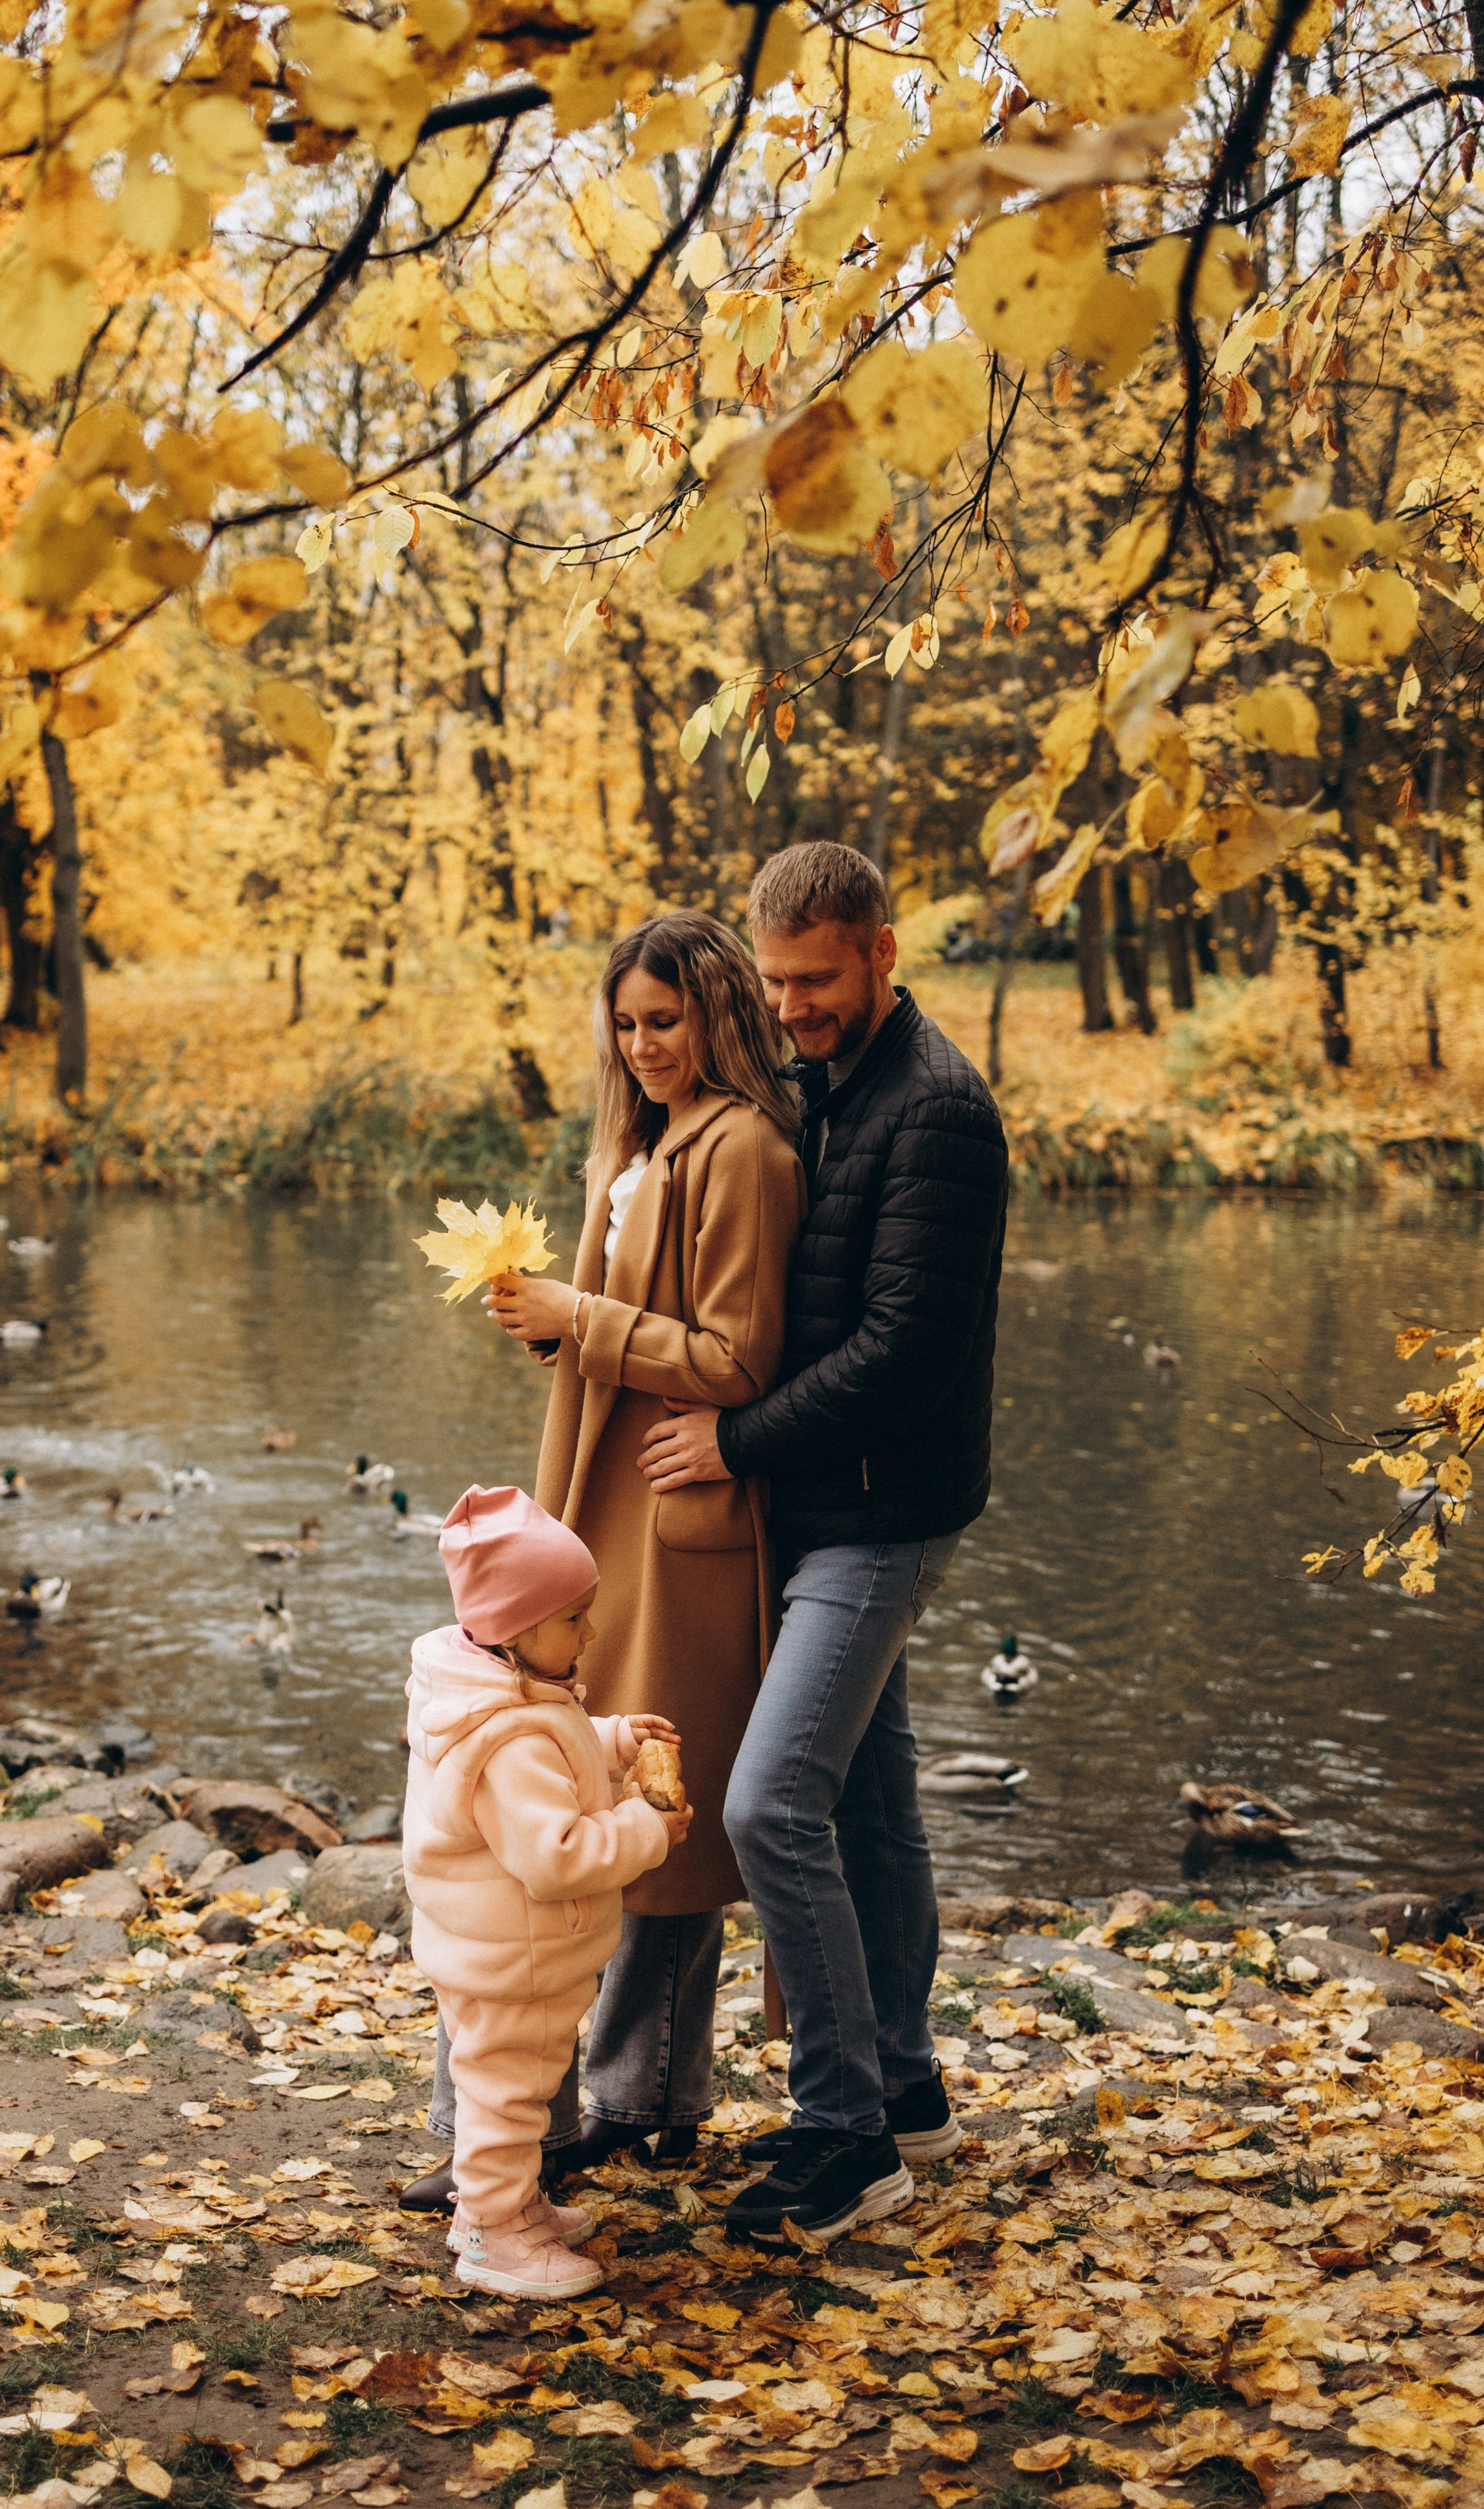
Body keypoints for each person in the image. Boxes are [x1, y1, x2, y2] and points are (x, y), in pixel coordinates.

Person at [639, 842, 1008, 2246]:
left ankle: (841, 2135)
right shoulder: (814, 1090)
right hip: (821, 1507)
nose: (794, 1005)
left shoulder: (937, 1113)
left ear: (881, 952)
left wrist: (731, 1444)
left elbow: (900, 1353)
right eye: (777, 981)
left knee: (764, 1805)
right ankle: (906, 2091)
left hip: (881, 1510)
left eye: (818, 979)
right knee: (865, 1805)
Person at [404, 912, 802, 2209]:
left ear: (721, 1017)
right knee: (570, 1755)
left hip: (673, 1518)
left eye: (667, 1022)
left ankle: (642, 2097)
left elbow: (740, 1356)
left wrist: (582, 1318)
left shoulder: (741, 1147)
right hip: (598, 1491)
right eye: (626, 1025)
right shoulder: (634, 1138)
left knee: (647, 1783)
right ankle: (570, 2104)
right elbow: (635, 1320)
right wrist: (550, 1327)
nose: (642, 1047)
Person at [402, 1484, 689, 2300]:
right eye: (575, 1619)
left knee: (509, 2089)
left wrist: (612, 1740)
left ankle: (503, 2207)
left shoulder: (494, 1693)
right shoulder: (505, 1735)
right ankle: (495, 2240)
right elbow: (554, 1854)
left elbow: (554, 1751)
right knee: (508, 2097)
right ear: (516, 1630)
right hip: (515, 1949)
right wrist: (645, 1828)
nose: (592, 1632)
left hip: (495, 1943)